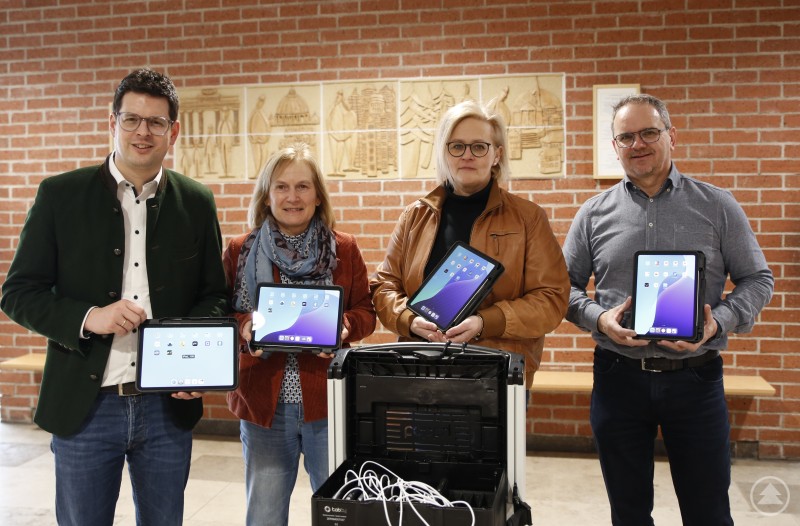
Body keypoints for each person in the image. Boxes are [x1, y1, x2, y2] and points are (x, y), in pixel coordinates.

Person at [0, 68, 229, 525]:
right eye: (132, 119)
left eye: (156, 122)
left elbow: (213, 296)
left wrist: (197, 364)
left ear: (173, 131)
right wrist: (89, 317)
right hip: (87, 406)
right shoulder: (60, 196)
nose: (143, 132)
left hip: (166, 407)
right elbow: (18, 293)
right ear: (112, 123)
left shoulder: (196, 202)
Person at [563, 94, 774, 525]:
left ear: (671, 136)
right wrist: (599, 317)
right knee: (628, 511)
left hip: (695, 380)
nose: (637, 144)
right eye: (626, 137)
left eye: (648, 133)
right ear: (615, 145)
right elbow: (558, 289)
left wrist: (721, 321)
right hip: (617, 377)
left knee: (709, 511)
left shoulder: (717, 205)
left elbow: (759, 279)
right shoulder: (593, 214)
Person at [224, 143, 376, 526]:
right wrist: (244, 327)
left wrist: (344, 327)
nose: (293, 197)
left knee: (337, 511)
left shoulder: (344, 248)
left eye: (303, 186)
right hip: (263, 401)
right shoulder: (239, 249)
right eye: (282, 186)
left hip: (328, 401)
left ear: (318, 195)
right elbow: (222, 312)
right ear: (266, 195)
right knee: (265, 512)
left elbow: (366, 311)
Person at [370, 100, 570, 388]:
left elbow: (551, 299)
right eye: (457, 146)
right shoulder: (415, 216)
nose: (467, 155)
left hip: (497, 374)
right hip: (423, 371)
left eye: (479, 146)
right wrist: (409, 319)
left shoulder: (528, 219)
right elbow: (384, 286)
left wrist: (485, 322)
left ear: (497, 155)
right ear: (444, 152)